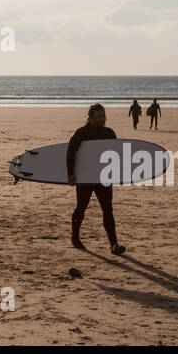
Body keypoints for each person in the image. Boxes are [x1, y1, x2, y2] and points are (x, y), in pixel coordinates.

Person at [65, 103, 127, 255]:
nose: (102, 119)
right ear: (91, 117)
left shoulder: (109, 133)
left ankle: (114, 244)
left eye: (103, 116)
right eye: (98, 116)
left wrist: (116, 172)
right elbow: (70, 152)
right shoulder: (82, 133)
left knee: (107, 209)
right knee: (81, 207)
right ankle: (75, 237)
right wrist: (71, 173)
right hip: (85, 176)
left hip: (103, 177)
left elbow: (115, 155)